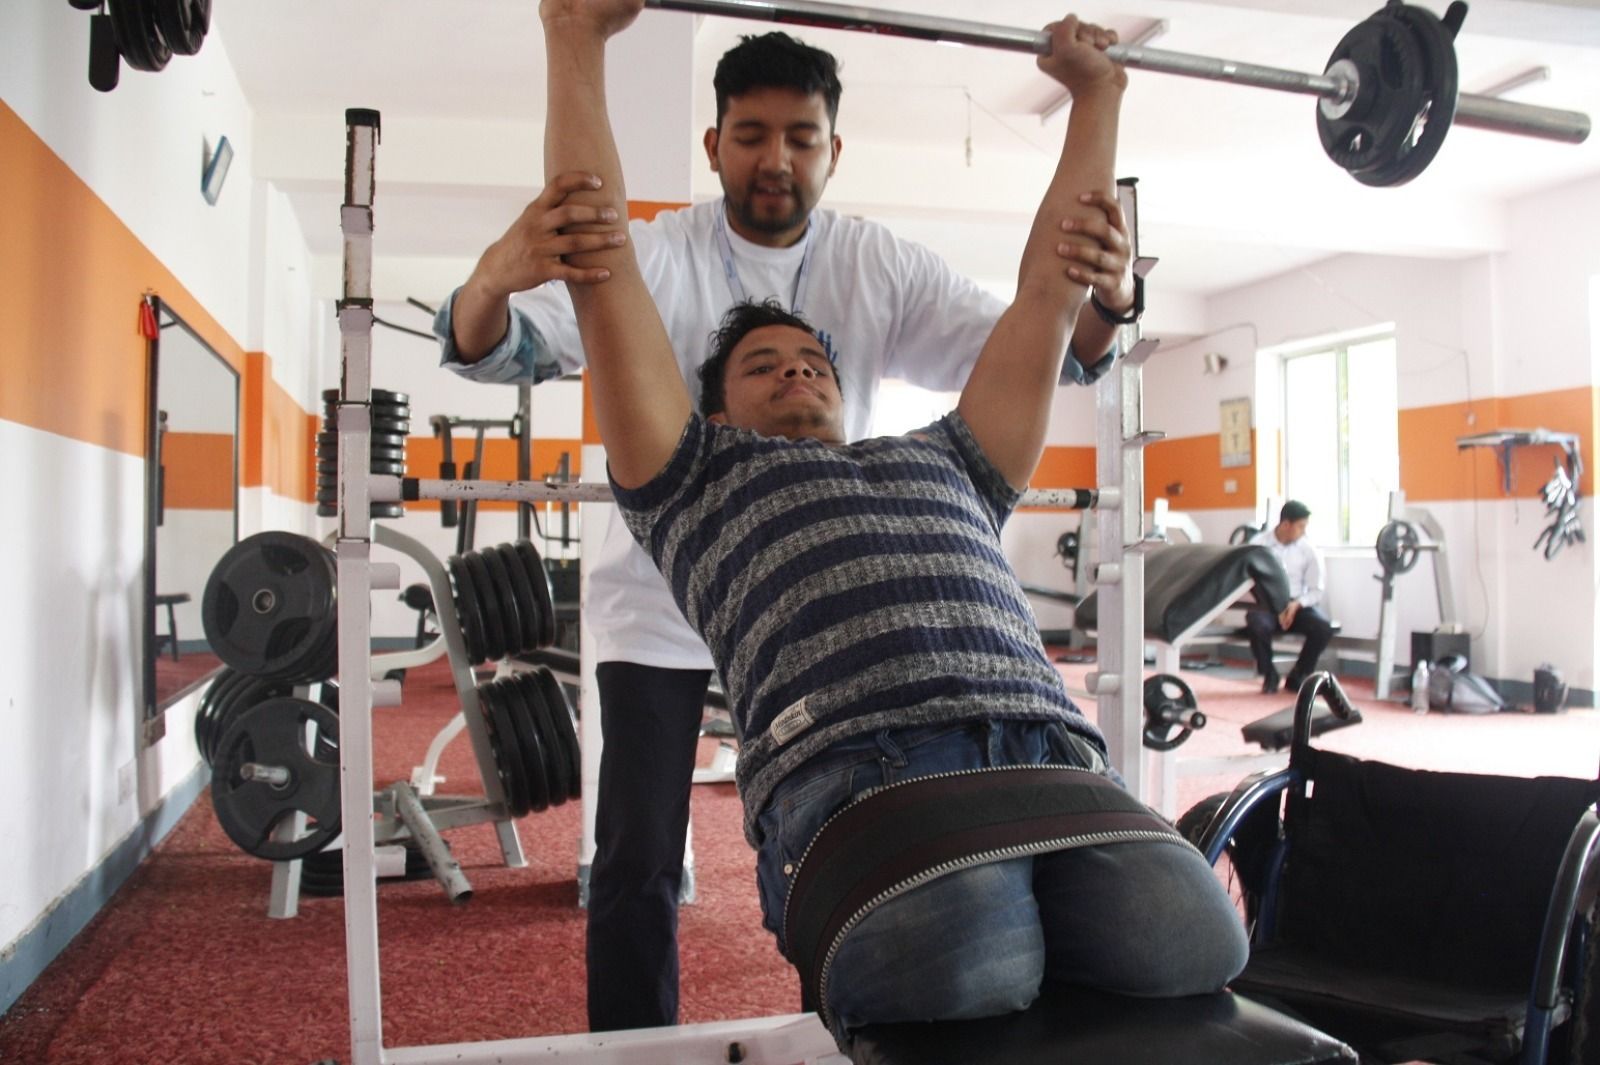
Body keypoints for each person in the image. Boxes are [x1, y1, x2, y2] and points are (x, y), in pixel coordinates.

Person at [531, 0, 1248, 1047]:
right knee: (975, 964)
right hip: (870, 774)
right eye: (762, 366)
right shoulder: (692, 479)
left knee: (1193, 944)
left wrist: (1099, 97)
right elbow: (596, 263)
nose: (797, 371)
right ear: (711, 406)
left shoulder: (950, 457)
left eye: (813, 361)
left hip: (1050, 759)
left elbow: (1050, 294)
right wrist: (573, 40)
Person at [1247, 500, 1334, 694]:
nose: (1303, 531)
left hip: (1297, 604)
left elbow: (1316, 590)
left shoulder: (1309, 550)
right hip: (1266, 605)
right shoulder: (1257, 545)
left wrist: (1296, 605)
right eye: (1300, 526)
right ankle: (1269, 674)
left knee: (1323, 627)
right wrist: (1271, 603)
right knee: (1256, 624)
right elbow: (1247, 582)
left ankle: (1299, 674)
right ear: (1286, 524)